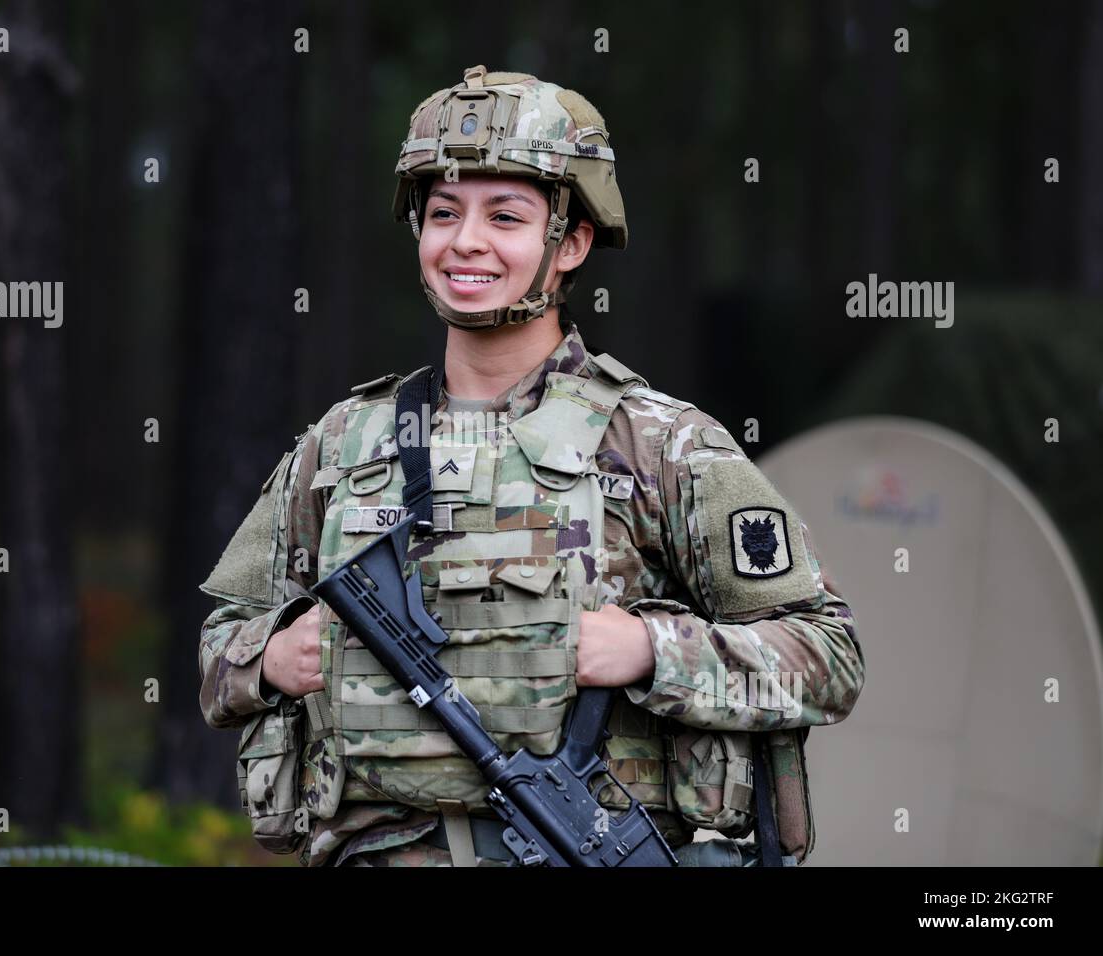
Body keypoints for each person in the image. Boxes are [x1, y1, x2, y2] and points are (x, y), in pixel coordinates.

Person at [198, 66, 865, 867]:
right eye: (443, 212)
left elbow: (828, 659)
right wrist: (271, 660)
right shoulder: (341, 447)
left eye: (505, 216)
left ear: (570, 241)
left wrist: (655, 651)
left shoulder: (660, 444)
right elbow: (218, 649)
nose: (466, 241)